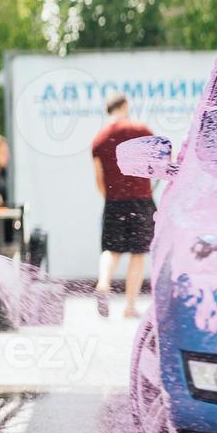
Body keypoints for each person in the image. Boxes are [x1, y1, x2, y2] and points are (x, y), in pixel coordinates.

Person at [90, 92, 155, 319]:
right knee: (138, 253)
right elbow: (158, 160)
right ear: (125, 106)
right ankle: (129, 306)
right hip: (141, 199)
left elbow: (99, 177)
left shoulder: (99, 140)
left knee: (111, 249)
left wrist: (109, 196)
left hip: (114, 201)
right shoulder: (141, 130)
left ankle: (103, 284)